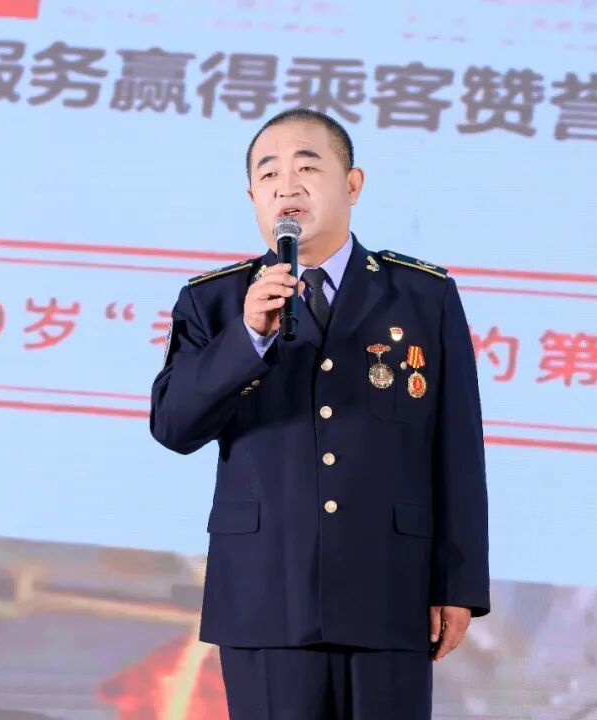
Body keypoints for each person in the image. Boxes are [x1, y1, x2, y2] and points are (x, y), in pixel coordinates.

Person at [149, 108, 490, 719]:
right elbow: (174, 426)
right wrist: (247, 338)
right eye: (268, 173)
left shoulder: (423, 295)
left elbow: (457, 449)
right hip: (265, 594)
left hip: (391, 589)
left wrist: (458, 584)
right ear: (253, 197)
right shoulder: (214, 301)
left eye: (307, 167)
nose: (287, 185)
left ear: (352, 184)